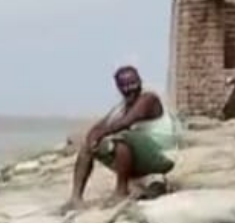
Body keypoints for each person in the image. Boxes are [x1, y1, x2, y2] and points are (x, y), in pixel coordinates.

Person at [66, 66, 178, 210]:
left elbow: (126, 122)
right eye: (125, 86)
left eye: (134, 84)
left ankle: (121, 192)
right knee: (87, 147)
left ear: (140, 82)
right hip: (141, 158)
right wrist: (92, 138)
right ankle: (75, 198)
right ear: (119, 88)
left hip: (161, 155)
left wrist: (101, 134)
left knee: (122, 137)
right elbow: (100, 126)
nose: (130, 89)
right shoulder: (121, 107)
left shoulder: (148, 98)